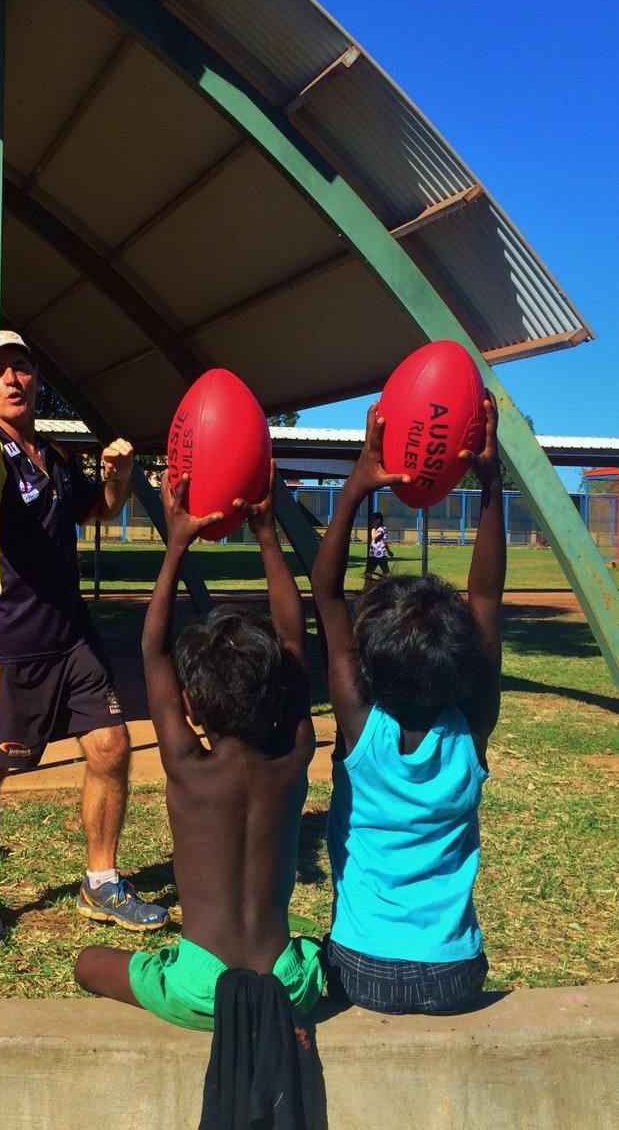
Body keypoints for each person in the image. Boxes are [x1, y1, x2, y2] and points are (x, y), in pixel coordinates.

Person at [74, 464, 322, 1033]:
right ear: (276, 691)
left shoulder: (188, 767)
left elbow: (154, 652)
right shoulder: (293, 757)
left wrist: (176, 544)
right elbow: (292, 637)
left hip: (200, 988)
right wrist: (266, 533)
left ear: (190, 706)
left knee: (89, 961)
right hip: (285, 986)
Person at [0, 329, 168, 944]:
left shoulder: (52, 455)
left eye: (22, 367)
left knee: (112, 746)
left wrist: (118, 476)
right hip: (6, 644)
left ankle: (100, 881)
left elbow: (100, 508)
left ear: (36, 378)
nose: (13, 379)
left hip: (72, 639)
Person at [311, 397, 504, 1014]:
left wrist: (356, 487)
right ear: (462, 659)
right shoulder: (472, 728)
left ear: (366, 664)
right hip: (454, 972)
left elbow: (325, 593)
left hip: (360, 968)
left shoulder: (359, 725)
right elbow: (487, 595)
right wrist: (492, 486)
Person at [363, 509, 393, 589]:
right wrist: (389, 551)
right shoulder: (377, 529)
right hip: (373, 554)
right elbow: (384, 542)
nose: (372, 521)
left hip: (381, 555)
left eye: (373, 519)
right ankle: (366, 588)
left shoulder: (382, 529)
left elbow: (374, 537)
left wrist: (373, 528)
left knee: (386, 573)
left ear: (378, 520)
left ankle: (391, 587)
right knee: (368, 572)